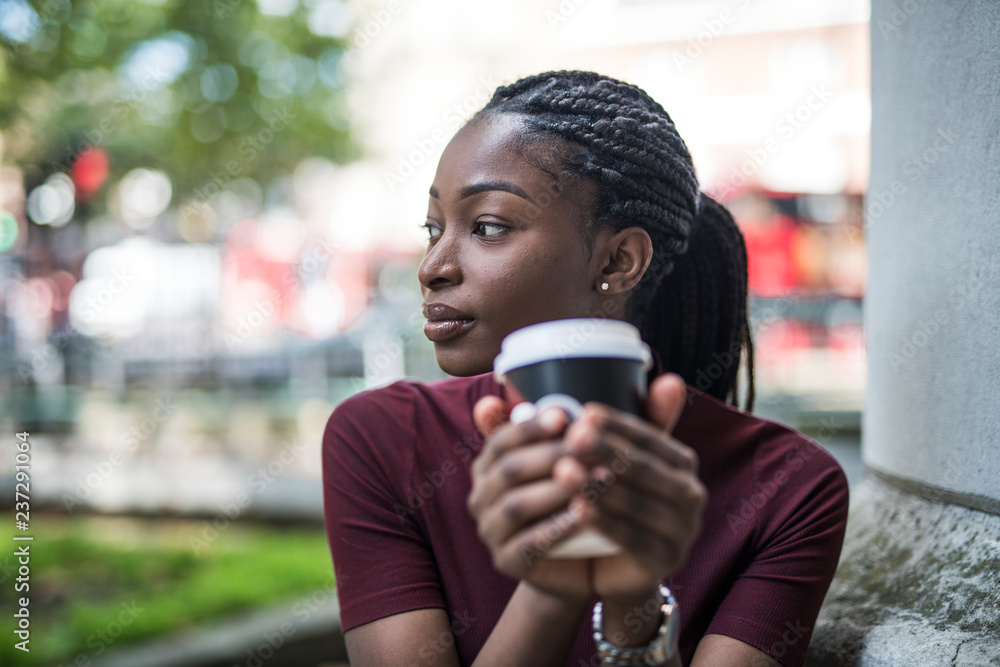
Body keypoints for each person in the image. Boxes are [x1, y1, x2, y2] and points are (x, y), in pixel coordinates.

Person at [322, 70, 849, 667]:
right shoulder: (381, 439)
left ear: (619, 261)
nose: (433, 267)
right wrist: (552, 587)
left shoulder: (793, 490)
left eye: (487, 226)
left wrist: (634, 606)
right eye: (433, 228)